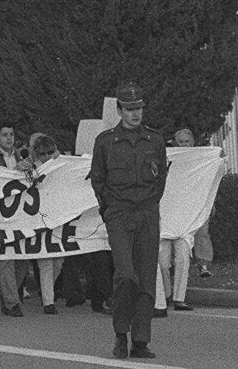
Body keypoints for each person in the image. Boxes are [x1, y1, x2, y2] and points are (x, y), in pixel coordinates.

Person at [91, 81, 169, 360]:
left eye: (139, 108)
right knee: (126, 275)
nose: (136, 114)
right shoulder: (105, 142)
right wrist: (110, 209)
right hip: (120, 214)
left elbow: (161, 179)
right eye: (130, 109)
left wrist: (149, 204)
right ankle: (120, 334)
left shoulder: (155, 140)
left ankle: (140, 341)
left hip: (147, 212)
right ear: (119, 110)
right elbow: (98, 181)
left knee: (147, 278)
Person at [0, 119, 31, 317]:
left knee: (22, 261)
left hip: (20, 214)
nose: (9, 138)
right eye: (4, 135)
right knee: (5, 258)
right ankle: (12, 302)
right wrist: (12, 174)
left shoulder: (22, 156)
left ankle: (8, 293)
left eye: (11, 134)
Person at [155, 128, 197, 315]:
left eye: (187, 142)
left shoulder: (198, 161)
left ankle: (180, 298)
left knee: (182, 259)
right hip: (166, 219)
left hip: (185, 220)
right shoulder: (167, 160)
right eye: (180, 142)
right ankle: (165, 293)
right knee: (163, 262)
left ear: (193, 143)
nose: (184, 145)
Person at [28, 133, 65, 313]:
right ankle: (48, 302)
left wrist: (61, 159)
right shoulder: (28, 168)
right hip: (38, 218)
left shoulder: (61, 165)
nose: (47, 156)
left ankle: (47, 292)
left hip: (58, 217)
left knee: (59, 260)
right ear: (36, 155)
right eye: (43, 153)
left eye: (50, 152)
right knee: (45, 260)